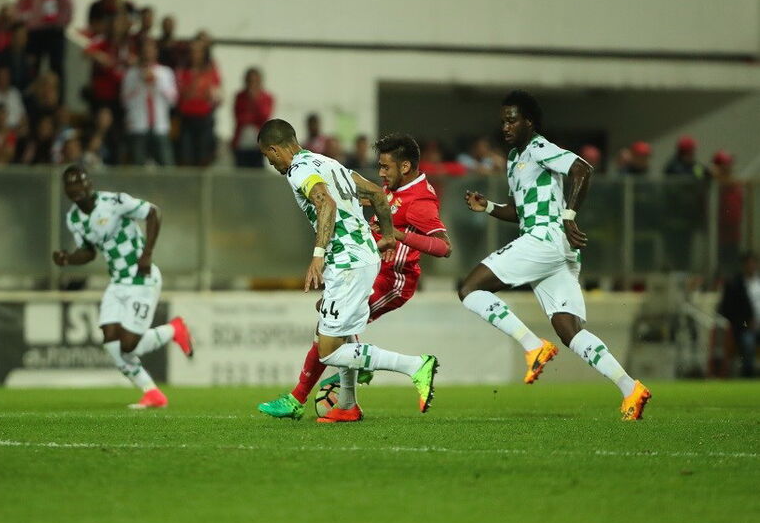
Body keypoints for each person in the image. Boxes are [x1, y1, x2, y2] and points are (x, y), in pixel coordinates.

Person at [458, 91, 651, 420]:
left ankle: (533, 345)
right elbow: (521, 211)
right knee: (568, 329)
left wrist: (570, 214)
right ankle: (630, 388)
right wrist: (488, 207)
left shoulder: (538, 147)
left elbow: (582, 169)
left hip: (544, 238)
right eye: (502, 120)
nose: (505, 126)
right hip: (554, 246)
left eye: (512, 119)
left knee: (469, 289)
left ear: (529, 122)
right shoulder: (515, 159)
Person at [256, 118, 439, 423]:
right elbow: (378, 196)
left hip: (347, 264)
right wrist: (390, 236)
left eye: (268, 155)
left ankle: (415, 365)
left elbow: (324, 204)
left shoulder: (299, 170)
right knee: (335, 336)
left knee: (328, 350)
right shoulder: (328, 162)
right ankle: (347, 404)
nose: (270, 162)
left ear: (275, 150)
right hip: (363, 258)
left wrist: (318, 255)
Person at [52, 166, 194, 409]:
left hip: (141, 279)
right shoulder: (73, 219)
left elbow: (153, 213)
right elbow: (88, 251)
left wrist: (147, 255)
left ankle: (174, 330)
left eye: (81, 182)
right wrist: (68, 259)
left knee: (129, 344)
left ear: (89, 184)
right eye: (71, 185)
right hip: (117, 282)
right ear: (66, 191)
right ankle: (152, 393)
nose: (77, 188)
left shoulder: (114, 201)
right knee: (111, 342)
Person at [16, 0, 74, 96]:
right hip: (33, 31)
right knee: (31, 67)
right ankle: (31, 99)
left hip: (53, 30)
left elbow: (67, 3)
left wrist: (62, 22)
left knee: (56, 67)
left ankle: (58, 101)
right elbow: (20, 4)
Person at [121, 37, 177, 166]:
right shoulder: (131, 74)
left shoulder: (165, 73)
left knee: (166, 163)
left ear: (156, 52)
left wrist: (156, 81)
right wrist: (139, 80)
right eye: (145, 50)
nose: (147, 53)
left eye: (150, 50)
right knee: (138, 164)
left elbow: (173, 100)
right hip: (138, 125)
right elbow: (124, 100)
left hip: (160, 125)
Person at [175, 39, 221, 166]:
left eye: (198, 51)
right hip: (186, 118)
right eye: (192, 51)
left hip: (204, 118)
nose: (195, 54)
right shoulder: (182, 71)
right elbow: (180, 94)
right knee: (186, 155)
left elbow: (217, 95)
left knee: (203, 156)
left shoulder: (211, 71)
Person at [718, 252, 758, 378]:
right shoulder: (735, 285)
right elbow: (726, 310)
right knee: (748, 342)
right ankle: (748, 376)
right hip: (745, 329)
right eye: (748, 264)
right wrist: (746, 323)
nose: (751, 266)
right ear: (744, 265)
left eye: (754, 263)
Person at [231, 67, 273, 168]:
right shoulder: (240, 97)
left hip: (258, 143)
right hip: (241, 142)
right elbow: (239, 117)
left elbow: (264, 116)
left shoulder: (267, 98)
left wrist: (255, 99)